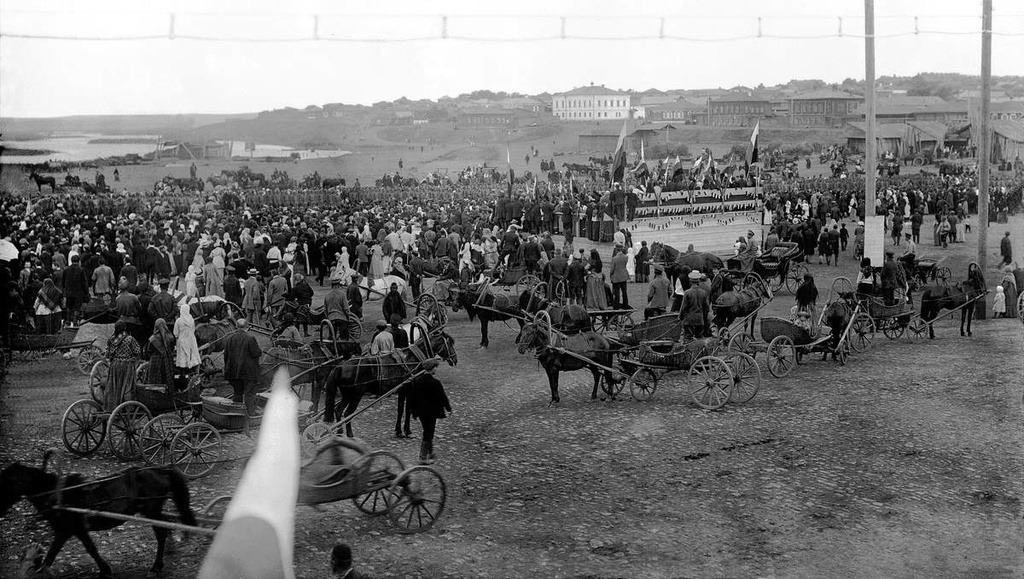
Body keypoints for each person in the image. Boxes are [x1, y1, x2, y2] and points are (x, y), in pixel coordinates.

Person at [408, 357, 451, 464]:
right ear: (432, 369)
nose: (436, 369)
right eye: (435, 367)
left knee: (427, 430)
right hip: (432, 412)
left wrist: (413, 412)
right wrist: (448, 408)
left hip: (421, 412)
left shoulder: (416, 381)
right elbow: (442, 397)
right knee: (428, 432)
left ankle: (431, 452)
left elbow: (412, 398)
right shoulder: (435, 383)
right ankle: (422, 457)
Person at [223, 318, 263, 414]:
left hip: (233, 373)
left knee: (237, 394)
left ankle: (237, 416)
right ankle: (250, 416)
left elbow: (226, 356)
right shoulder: (250, 338)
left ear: (236, 327)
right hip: (248, 373)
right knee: (249, 394)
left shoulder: (229, 339)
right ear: (247, 327)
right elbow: (257, 353)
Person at [104, 321, 141, 412]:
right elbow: (137, 351)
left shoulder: (112, 339)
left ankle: (113, 407)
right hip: (127, 365)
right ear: (125, 328)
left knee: (114, 386)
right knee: (127, 386)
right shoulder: (129, 339)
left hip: (115, 365)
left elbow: (108, 354)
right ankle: (128, 408)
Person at [173, 302, 201, 391]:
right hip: (191, 340)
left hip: (182, 340)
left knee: (182, 357)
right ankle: (191, 373)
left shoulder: (179, 321)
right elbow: (193, 330)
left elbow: (176, 333)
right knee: (191, 355)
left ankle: (183, 375)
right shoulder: (191, 320)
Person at [678, 271, 708, 340]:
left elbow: (683, 308)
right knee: (699, 339)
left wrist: (680, 317)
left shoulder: (687, 292)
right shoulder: (703, 292)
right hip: (700, 320)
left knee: (688, 339)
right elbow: (706, 308)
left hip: (689, 320)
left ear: (690, 281)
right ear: (698, 281)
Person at [147, 318, 176, 390]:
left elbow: (149, 350)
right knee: (167, 377)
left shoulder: (153, 338)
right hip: (167, 359)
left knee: (155, 378)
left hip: (155, 360)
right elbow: (172, 349)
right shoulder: (170, 337)